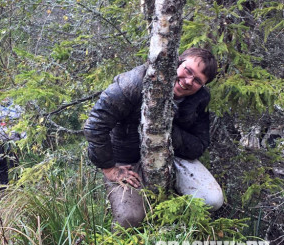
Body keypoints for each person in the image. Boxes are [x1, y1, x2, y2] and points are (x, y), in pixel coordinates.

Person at [84, 48, 224, 228]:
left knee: (212, 199)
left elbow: (200, 144)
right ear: (177, 61)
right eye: (188, 71)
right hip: (127, 159)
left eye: (197, 81)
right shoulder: (134, 83)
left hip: (172, 155)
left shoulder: (199, 99)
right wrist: (109, 168)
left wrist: (167, 132)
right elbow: (95, 125)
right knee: (129, 219)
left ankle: (177, 228)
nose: (188, 81)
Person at [0, 98, 25, 185]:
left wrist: (23, 138)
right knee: (0, 161)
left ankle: (18, 182)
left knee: (15, 161)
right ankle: (4, 182)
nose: (4, 98)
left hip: (13, 139)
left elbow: (22, 124)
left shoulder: (16, 108)